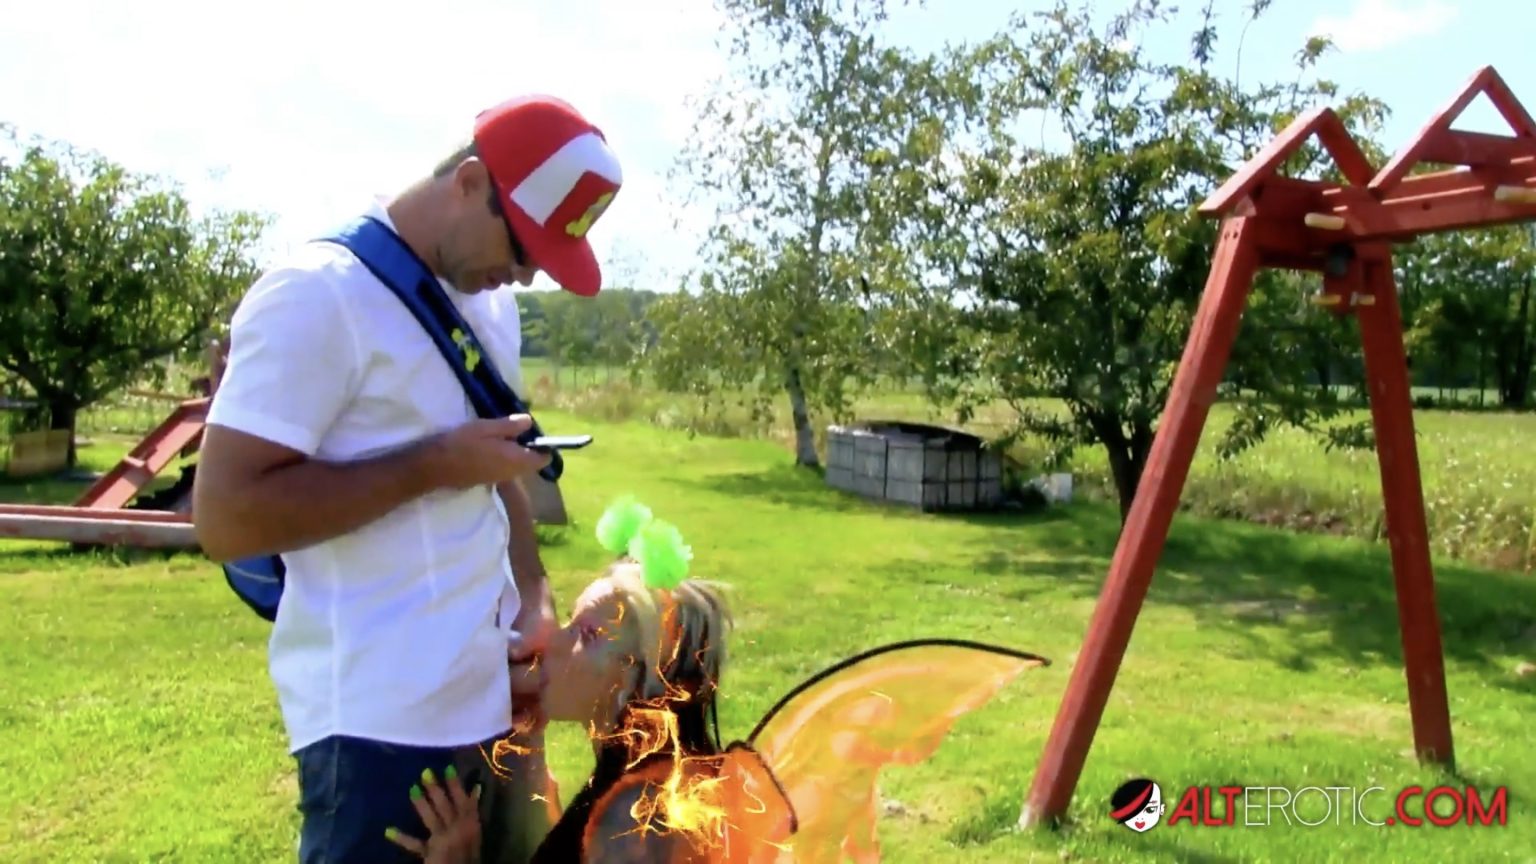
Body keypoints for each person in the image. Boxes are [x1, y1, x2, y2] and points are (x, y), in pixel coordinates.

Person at [191, 94, 624, 864]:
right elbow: (225, 517)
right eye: (522, 246)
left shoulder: (489, 307)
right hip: (377, 730)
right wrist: (431, 466)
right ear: (468, 182)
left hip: (490, 707)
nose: (525, 276)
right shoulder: (317, 293)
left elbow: (494, 470)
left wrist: (534, 594)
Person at [384, 503, 735, 863]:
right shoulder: (657, 784)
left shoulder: (640, 823)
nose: (552, 640)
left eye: (587, 633)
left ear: (641, 682)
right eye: (571, 619)